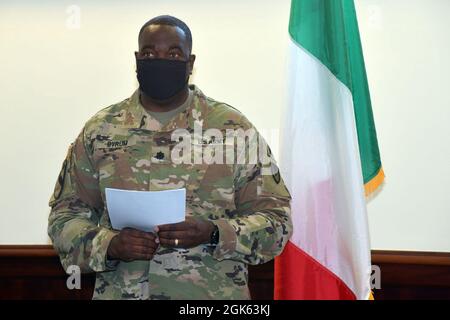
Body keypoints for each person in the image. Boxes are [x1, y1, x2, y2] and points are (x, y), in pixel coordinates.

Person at [48, 15, 292, 300]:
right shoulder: (100, 130)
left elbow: (277, 221)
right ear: (137, 60)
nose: (160, 60)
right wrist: (110, 244)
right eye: (150, 53)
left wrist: (214, 232)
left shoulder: (233, 130)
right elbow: (63, 218)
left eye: (174, 53)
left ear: (190, 63)